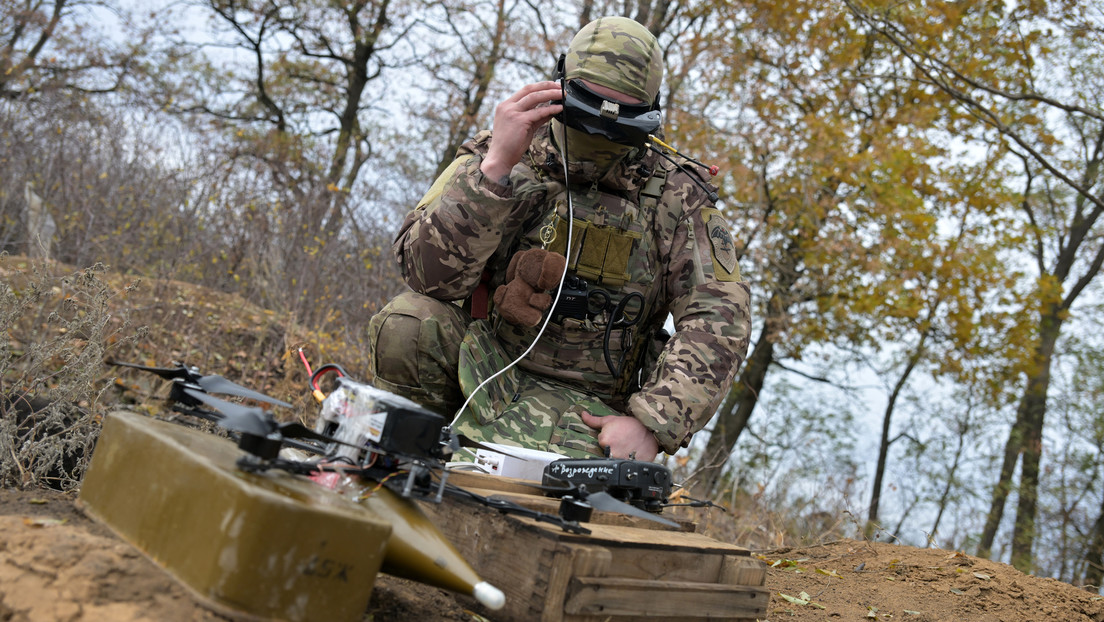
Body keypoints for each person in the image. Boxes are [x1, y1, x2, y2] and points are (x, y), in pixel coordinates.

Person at [366, 16, 751, 464]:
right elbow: (428, 279)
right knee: (408, 322)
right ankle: (409, 462)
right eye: (590, 103)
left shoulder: (678, 195)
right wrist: (495, 169)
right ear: (560, 83)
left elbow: (720, 318)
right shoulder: (503, 152)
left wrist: (651, 423)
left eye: (621, 114)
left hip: (595, 414)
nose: (601, 125)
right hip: (483, 369)